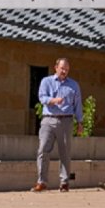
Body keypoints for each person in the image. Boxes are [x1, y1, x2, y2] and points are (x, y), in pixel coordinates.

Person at [31, 57, 83, 192]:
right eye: (62, 68)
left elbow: (77, 105)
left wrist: (80, 122)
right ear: (56, 68)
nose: (64, 71)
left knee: (65, 152)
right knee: (43, 150)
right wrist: (53, 100)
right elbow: (42, 97)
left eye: (66, 69)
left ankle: (64, 182)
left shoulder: (74, 85)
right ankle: (41, 182)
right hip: (49, 119)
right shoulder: (46, 81)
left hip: (66, 120)